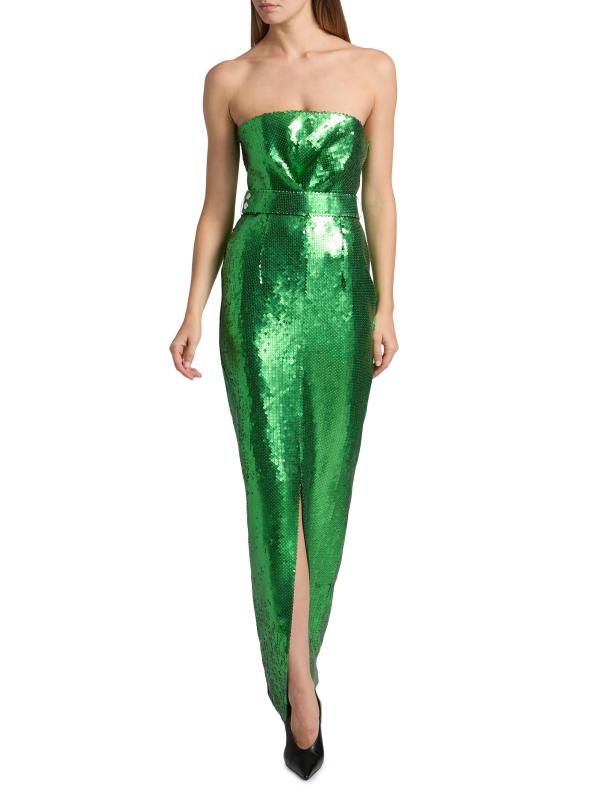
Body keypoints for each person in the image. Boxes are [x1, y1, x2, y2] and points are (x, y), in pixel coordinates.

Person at [169, 0, 398, 780]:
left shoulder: (372, 68)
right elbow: (214, 207)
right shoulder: (228, 79)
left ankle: (299, 659)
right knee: (272, 481)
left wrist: (386, 304)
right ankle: (297, 682)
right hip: (258, 284)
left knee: (325, 480)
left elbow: (378, 194)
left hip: (341, 288)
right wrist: (192, 308)